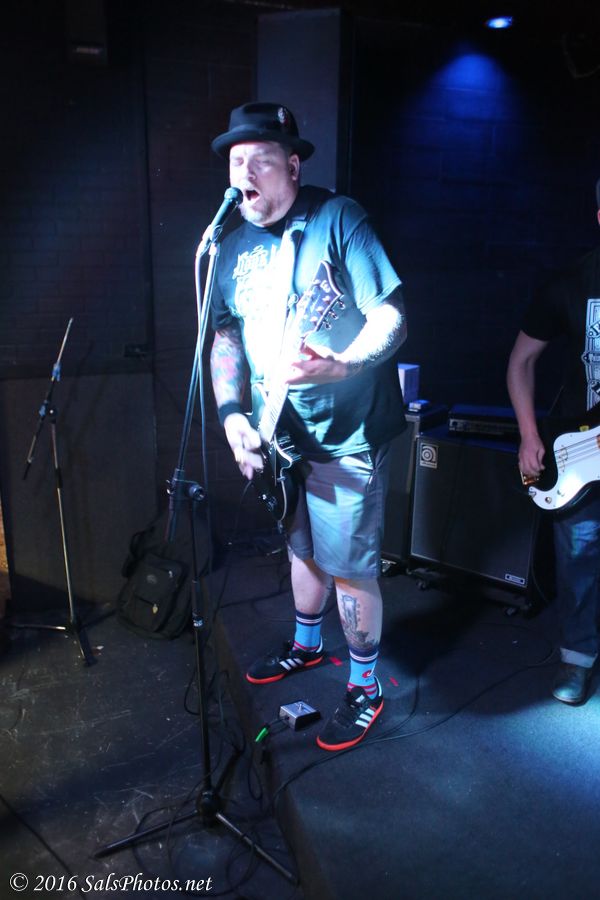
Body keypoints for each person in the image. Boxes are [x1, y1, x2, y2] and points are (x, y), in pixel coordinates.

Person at [208, 102, 407, 750]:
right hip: (280, 433)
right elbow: (225, 338)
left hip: (346, 435)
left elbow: (391, 316)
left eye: (261, 161)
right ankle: (306, 645)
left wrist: (344, 363)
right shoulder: (229, 246)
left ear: (293, 166)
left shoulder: (337, 219)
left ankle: (365, 687)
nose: (245, 175)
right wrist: (233, 416)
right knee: (301, 547)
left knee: (349, 565)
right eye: (236, 162)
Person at [506, 178, 600, 706]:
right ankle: (578, 658)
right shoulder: (571, 282)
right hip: (583, 450)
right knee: (580, 554)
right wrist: (528, 434)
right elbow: (521, 361)